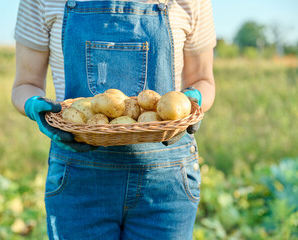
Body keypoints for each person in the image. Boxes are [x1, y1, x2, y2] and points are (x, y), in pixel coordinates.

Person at [12, 0, 216, 239]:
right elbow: (26, 84)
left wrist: (194, 100)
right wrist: (34, 106)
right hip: (79, 179)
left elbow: (203, 78)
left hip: (166, 184)